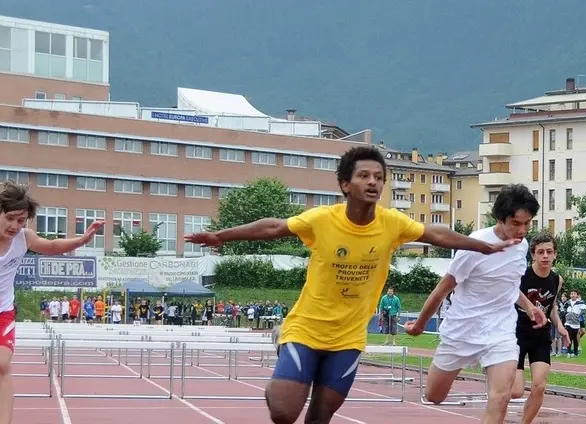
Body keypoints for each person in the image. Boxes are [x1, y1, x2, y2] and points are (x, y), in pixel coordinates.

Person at [184, 146, 523, 424]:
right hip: (307, 328)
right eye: (363, 176)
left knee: (320, 417)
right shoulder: (322, 220)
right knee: (285, 412)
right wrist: (221, 236)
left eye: (378, 177)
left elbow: (436, 234)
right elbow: (272, 227)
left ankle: (311, 373)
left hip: (348, 337)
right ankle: (282, 347)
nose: (372, 182)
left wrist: (482, 245)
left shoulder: (392, 223)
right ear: (345, 184)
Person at [0, 181, 104, 424]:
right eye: (10, 219)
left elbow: (50, 246)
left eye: (21, 221)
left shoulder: (24, 238)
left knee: (1, 366)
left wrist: (81, 241)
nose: (15, 226)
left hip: (0, 312)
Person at [404, 184, 547, 424]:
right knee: (434, 396)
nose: (522, 230)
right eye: (516, 223)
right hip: (462, 329)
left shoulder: (521, 246)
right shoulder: (474, 246)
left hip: (500, 331)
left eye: (527, 223)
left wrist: (529, 306)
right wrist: (419, 326)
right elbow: (441, 290)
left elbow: (509, 285)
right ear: (500, 219)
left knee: (501, 397)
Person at [510, 232, 569, 424]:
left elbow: (550, 307)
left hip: (541, 336)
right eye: (541, 252)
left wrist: (560, 326)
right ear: (533, 255)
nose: (545, 256)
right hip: (516, 334)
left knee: (539, 386)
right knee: (516, 391)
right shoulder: (521, 276)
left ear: (555, 255)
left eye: (549, 252)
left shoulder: (557, 280)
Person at [563, 289, 586, 357]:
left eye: (574, 294)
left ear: (577, 295)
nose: (573, 295)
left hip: (576, 323)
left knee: (575, 338)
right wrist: (566, 314)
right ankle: (569, 352)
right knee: (569, 337)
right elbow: (563, 309)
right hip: (568, 322)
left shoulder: (580, 302)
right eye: (571, 294)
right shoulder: (568, 302)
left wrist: (579, 314)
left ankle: (575, 352)